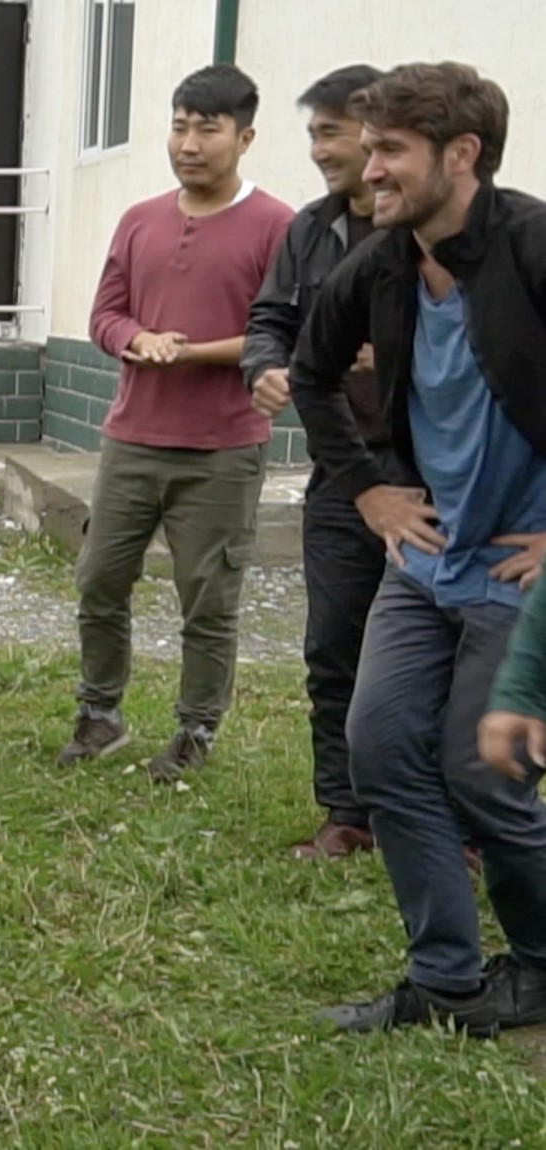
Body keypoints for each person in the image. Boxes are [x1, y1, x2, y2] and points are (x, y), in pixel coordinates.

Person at [292, 62, 546, 1037]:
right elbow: (309, 373)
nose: (370, 166)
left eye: (390, 149)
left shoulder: (527, 246)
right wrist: (366, 490)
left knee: (483, 768)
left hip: (516, 565)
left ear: (461, 155)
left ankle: (535, 962)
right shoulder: (381, 264)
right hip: (427, 556)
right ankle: (443, 977)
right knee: (382, 747)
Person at [60, 64, 294, 783]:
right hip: (132, 438)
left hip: (222, 449)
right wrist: (136, 340)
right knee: (100, 579)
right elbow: (105, 313)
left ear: (245, 136)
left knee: (208, 599)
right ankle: (99, 713)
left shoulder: (278, 226)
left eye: (208, 129)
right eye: (180, 125)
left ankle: (195, 729)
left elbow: (279, 329)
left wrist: (186, 350)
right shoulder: (139, 220)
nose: (188, 143)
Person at [242, 63, 390, 858]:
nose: (319, 150)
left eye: (330, 131)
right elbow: (270, 318)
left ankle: (454, 822)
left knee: (442, 649)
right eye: (313, 133)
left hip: (434, 476)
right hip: (340, 470)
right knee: (334, 644)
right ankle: (347, 813)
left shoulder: (429, 230)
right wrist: (267, 362)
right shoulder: (311, 229)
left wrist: (394, 356)